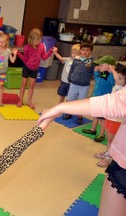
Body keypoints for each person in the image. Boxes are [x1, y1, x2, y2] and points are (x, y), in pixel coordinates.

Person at [38, 82, 126, 216]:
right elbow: (119, 101)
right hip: (122, 164)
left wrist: (59, 108)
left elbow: (118, 103)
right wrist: (59, 108)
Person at [94, 65, 126, 168]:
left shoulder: (122, 90)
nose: (117, 78)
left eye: (120, 78)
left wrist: (112, 70)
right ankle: (108, 152)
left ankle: (110, 156)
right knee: (109, 137)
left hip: (116, 120)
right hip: (110, 117)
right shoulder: (117, 85)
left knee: (111, 139)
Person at [16, 28, 55, 109]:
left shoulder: (41, 46)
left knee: (32, 85)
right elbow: (25, 59)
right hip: (26, 67)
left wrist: (51, 51)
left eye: (40, 38)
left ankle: (29, 101)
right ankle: (21, 100)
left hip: (35, 69)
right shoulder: (27, 47)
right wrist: (18, 53)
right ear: (32, 39)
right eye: (38, 39)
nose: (40, 40)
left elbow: (44, 57)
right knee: (23, 84)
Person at [82, 56, 116, 143]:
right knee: (95, 115)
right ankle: (93, 130)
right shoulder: (103, 73)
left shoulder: (110, 75)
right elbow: (98, 80)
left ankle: (101, 134)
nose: (99, 66)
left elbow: (113, 83)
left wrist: (112, 72)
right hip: (97, 97)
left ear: (109, 66)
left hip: (103, 100)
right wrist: (96, 72)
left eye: (101, 64)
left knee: (102, 119)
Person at [63, 41, 95, 125]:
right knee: (70, 99)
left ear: (91, 51)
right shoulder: (76, 59)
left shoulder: (92, 62)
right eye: (83, 50)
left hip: (84, 85)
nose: (85, 52)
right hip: (74, 83)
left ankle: (80, 116)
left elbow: (92, 73)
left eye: (87, 50)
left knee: (82, 102)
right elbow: (72, 69)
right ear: (80, 50)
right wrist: (70, 78)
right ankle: (69, 112)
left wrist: (88, 79)